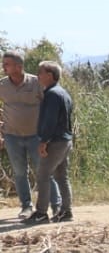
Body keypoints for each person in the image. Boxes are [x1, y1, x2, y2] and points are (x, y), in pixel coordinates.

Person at [0, 49, 44, 220]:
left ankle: (54, 206)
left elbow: (49, 105)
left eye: (7, 64)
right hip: (12, 137)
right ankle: (26, 206)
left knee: (44, 171)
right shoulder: (2, 85)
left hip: (36, 137)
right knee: (19, 172)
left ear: (18, 66)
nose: (3, 67)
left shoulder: (36, 83)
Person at [32, 60, 73, 223]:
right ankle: (66, 212)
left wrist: (44, 141)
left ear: (50, 75)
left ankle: (41, 213)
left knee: (43, 176)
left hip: (54, 141)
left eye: (40, 72)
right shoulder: (63, 93)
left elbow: (50, 121)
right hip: (65, 140)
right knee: (62, 177)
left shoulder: (52, 94)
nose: (38, 76)